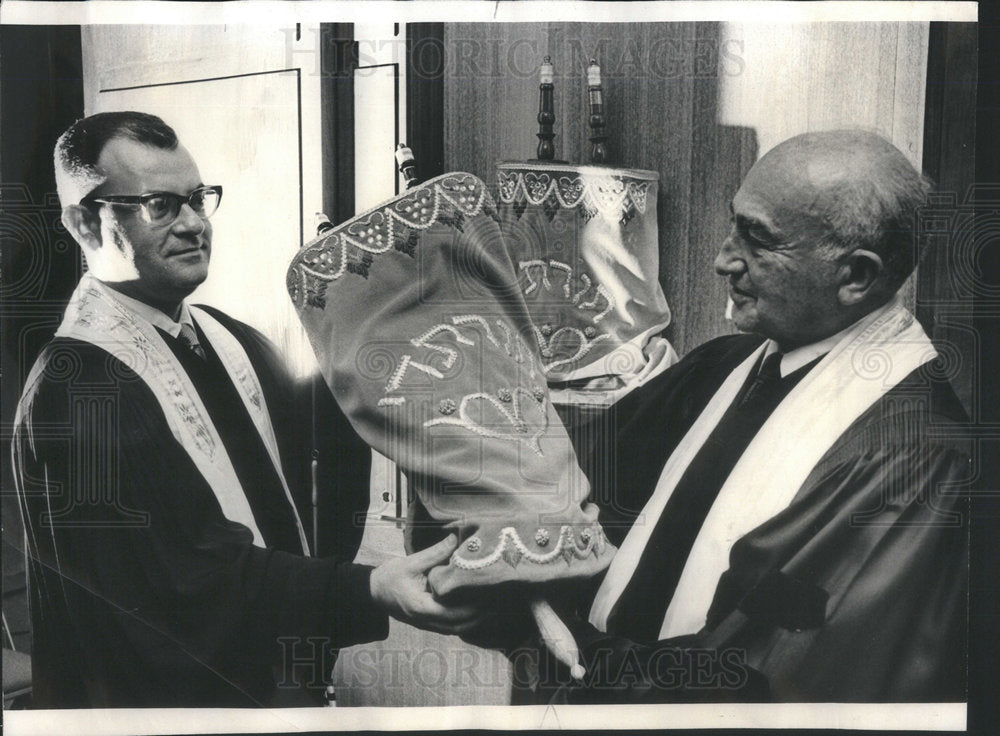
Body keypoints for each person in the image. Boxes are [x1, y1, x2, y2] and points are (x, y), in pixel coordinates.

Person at [10, 111, 478, 708]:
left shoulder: (225, 337)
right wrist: (368, 590)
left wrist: (380, 317)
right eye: (160, 205)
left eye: (198, 199)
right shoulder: (79, 390)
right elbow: (189, 581)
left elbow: (321, 437)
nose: (193, 224)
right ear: (84, 221)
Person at [549, 130, 970, 703]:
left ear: (856, 277)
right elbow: (564, 474)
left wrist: (565, 649)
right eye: (734, 225)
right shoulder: (724, 367)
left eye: (757, 240)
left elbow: (756, 673)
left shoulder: (912, 457)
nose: (723, 259)